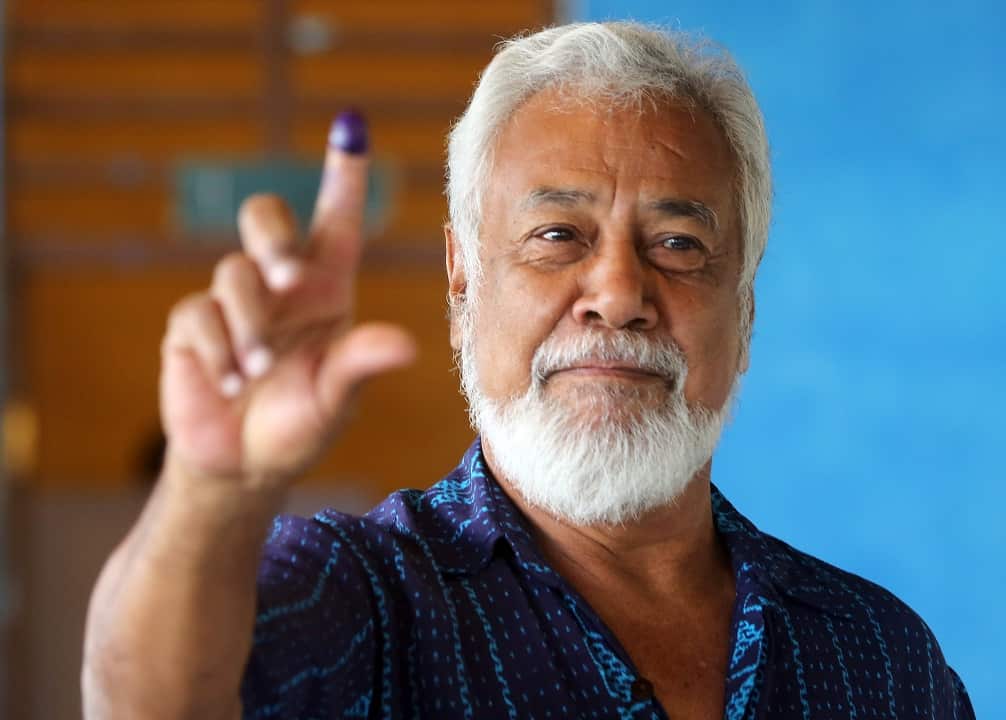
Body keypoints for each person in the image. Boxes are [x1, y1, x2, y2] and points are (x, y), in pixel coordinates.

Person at [82, 22, 974, 720]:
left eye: (678, 243)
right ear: (462, 281)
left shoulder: (880, 658)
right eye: (557, 236)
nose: (618, 294)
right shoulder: (361, 599)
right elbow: (147, 702)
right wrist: (211, 490)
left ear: (744, 309)